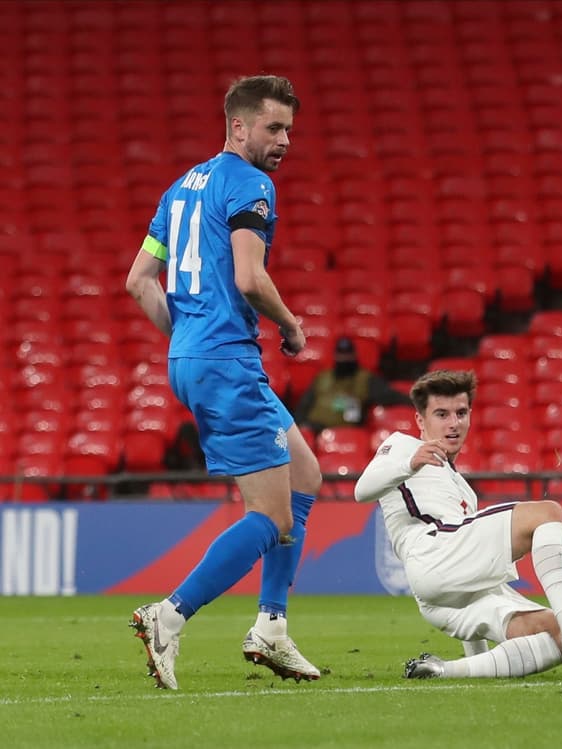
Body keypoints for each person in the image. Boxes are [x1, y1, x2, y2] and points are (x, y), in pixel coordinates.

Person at [124, 75, 323, 690]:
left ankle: (272, 627)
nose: (284, 139)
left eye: (289, 128)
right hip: (228, 361)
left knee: (306, 477)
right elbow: (248, 277)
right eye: (273, 127)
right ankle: (169, 615)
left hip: (195, 357)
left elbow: (138, 281)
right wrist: (290, 325)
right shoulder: (249, 184)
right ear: (238, 126)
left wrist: (188, 343)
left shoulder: (180, 189)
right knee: (272, 515)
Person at [354, 369, 562, 679]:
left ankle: (443, 671)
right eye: (442, 414)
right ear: (421, 421)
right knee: (547, 513)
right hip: (432, 550)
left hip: (440, 586)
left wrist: (471, 653)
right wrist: (409, 463)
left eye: (461, 413)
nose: (454, 423)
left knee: (550, 633)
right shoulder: (403, 447)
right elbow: (362, 491)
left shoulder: (462, 488)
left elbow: (469, 591)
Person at [294, 336, 413, 431]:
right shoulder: (322, 377)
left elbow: (389, 396)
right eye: (341, 354)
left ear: (354, 355)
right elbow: (304, 405)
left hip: (345, 432)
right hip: (313, 429)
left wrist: (417, 400)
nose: (344, 358)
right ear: (335, 355)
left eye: (347, 354)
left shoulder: (365, 379)